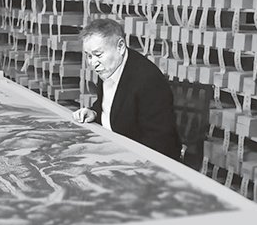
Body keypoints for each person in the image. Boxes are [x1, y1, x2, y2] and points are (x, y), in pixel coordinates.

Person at [72, 18, 181, 160]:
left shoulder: (148, 81)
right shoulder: (109, 65)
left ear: (121, 46)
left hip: (141, 159)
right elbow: (111, 103)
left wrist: (114, 156)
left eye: (98, 55)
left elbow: (158, 141)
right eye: (89, 56)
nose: (93, 63)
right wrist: (94, 112)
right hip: (111, 146)